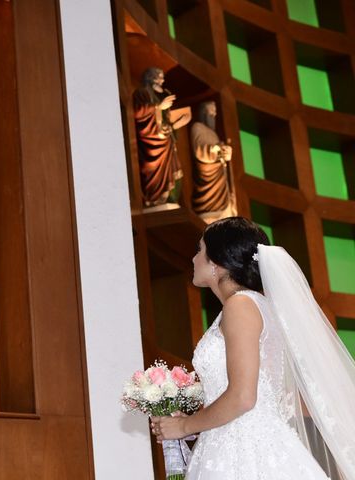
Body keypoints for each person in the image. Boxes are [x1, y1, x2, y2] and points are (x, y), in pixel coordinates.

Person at [150, 217, 355, 479]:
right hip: (234, 444)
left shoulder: (240, 306)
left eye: (199, 250)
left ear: (217, 262)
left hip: (247, 454)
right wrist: (192, 425)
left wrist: (183, 425)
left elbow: (243, 398)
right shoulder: (253, 306)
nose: (193, 259)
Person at [133, 67, 191, 208]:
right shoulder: (142, 93)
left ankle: (169, 198)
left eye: (162, 76)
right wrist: (159, 106)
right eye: (158, 76)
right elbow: (138, 113)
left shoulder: (164, 93)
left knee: (174, 167)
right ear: (150, 77)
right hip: (151, 139)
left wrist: (176, 125)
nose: (162, 80)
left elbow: (166, 119)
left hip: (166, 138)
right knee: (153, 168)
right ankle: (156, 198)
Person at [190, 101, 236, 222]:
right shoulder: (197, 127)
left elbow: (218, 153)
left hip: (219, 179)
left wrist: (225, 151)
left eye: (215, 112)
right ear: (203, 112)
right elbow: (200, 149)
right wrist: (214, 149)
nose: (214, 114)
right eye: (212, 111)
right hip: (208, 176)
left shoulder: (213, 134)